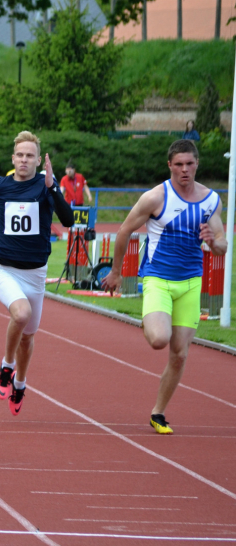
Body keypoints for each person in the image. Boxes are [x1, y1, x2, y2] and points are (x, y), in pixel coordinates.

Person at [101, 139, 226, 435]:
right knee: (159, 339)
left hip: (191, 282)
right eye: (179, 164)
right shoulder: (155, 198)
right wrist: (116, 272)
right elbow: (123, 231)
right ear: (169, 165)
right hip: (158, 278)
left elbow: (221, 244)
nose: (185, 170)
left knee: (179, 353)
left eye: (190, 164)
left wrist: (212, 241)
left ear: (197, 164)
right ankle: (152, 316)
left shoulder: (211, 200)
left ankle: (158, 412)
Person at [0, 131, 74, 417]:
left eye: (30, 155)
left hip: (35, 274)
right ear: (13, 158)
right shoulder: (0, 185)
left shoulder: (46, 187)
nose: (24, 160)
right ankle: (6, 367)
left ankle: (20, 383)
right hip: (4, 269)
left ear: (38, 160)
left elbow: (68, 221)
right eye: (20, 155)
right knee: (20, 314)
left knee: (29, 338)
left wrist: (53, 187)